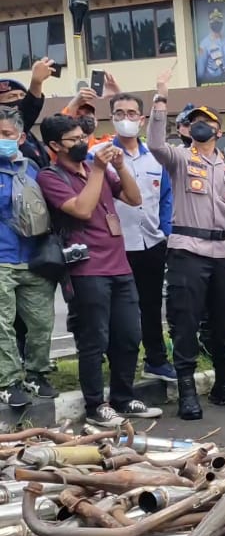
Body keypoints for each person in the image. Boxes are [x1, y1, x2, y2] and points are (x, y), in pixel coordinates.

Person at [37, 114, 162, 427]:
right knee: (94, 340)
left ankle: (123, 396)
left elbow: (134, 199)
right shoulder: (51, 177)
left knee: (129, 336)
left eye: (83, 137)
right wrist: (97, 169)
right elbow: (82, 209)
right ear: (54, 145)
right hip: (86, 269)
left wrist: (119, 166)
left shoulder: (100, 170)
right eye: (74, 140)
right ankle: (96, 405)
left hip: (120, 265)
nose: (82, 143)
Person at [149, 74, 225, 420]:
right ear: (187, 129)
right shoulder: (180, 158)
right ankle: (187, 392)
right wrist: (160, 100)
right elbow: (153, 145)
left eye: (207, 123)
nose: (200, 127)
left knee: (224, 323)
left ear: (219, 131)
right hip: (188, 250)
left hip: (223, 252)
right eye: (195, 123)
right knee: (185, 322)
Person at [90, 93, 177, 383]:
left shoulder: (157, 155)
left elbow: (165, 197)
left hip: (151, 242)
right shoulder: (98, 155)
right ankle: (119, 365)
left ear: (142, 120)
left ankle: (156, 360)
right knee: (117, 311)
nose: (125, 119)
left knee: (151, 306)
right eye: (119, 113)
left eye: (131, 114)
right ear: (111, 118)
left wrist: (166, 232)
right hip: (115, 247)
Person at [0, 107, 56, 408]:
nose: (2, 139)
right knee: (2, 325)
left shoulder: (33, 169)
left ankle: (36, 373)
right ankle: (8, 381)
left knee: (41, 323)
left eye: (7, 135)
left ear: (21, 137)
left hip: (34, 259)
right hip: (1, 259)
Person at [0, 57, 56, 168]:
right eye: (11, 97)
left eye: (22, 96)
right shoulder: (8, 138)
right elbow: (30, 108)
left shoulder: (29, 135)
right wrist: (36, 82)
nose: (19, 100)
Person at [197, 8, 225, 81]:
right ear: (208, 23)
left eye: (219, 19)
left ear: (222, 22)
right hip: (214, 85)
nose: (216, 22)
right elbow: (200, 73)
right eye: (213, 20)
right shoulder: (204, 45)